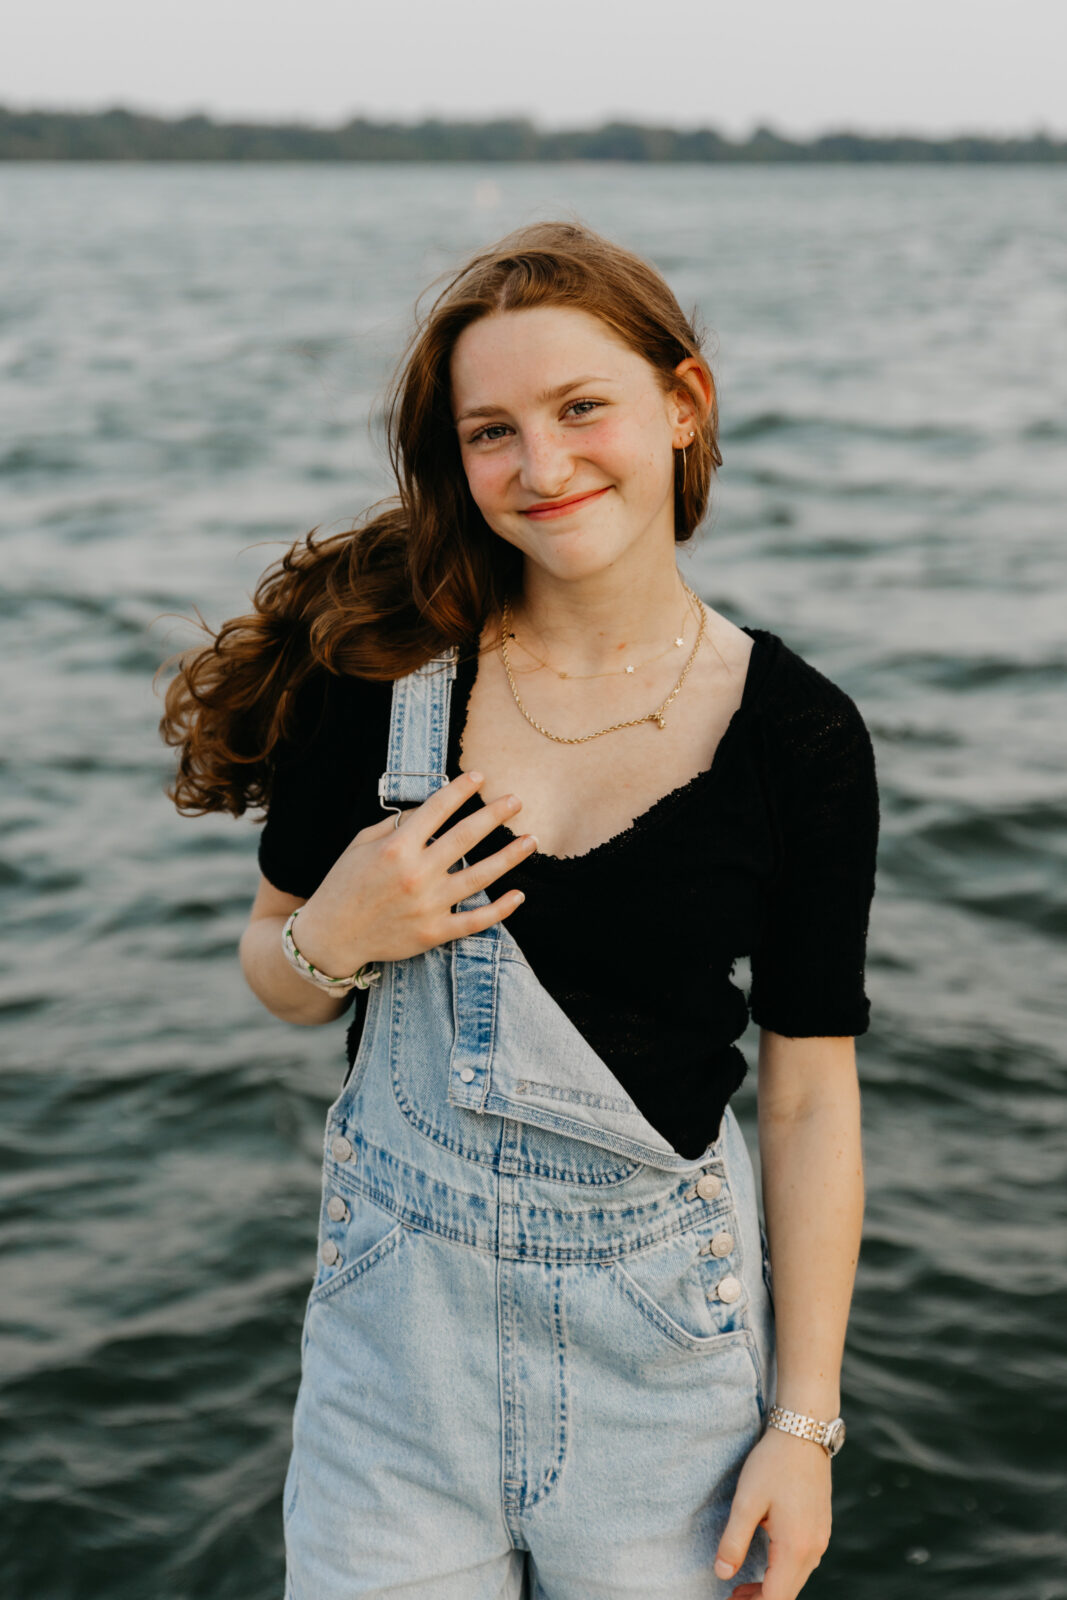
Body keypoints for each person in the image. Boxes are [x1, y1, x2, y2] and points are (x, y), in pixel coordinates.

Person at [160, 220, 878, 1600]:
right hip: (394, 1365)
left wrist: (805, 1425)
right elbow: (277, 963)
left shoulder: (799, 737)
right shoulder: (379, 677)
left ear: (683, 405)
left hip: (665, 1372)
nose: (540, 468)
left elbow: (808, 1095)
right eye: (491, 432)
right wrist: (340, 934)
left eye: (581, 408)